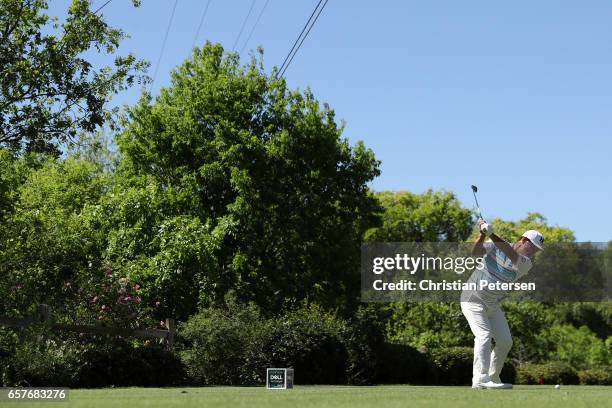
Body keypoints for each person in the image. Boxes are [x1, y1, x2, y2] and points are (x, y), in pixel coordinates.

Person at [461, 219, 544, 389]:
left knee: (505, 341)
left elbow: (510, 254)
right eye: (533, 247)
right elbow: (475, 253)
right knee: (484, 336)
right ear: (523, 240)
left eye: (536, 250)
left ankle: (493, 377)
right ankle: (480, 380)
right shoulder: (495, 246)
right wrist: (482, 235)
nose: (534, 252)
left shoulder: (526, 263)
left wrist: (491, 233)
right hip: (473, 299)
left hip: (491, 305)